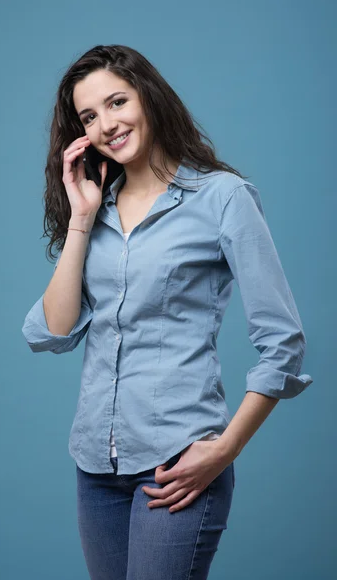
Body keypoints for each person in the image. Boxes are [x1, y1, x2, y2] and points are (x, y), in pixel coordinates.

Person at [21, 44, 313, 580]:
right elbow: (55, 332)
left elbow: (284, 342)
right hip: (95, 468)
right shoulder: (96, 209)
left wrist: (225, 450)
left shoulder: (222, 197)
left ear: (147, 97)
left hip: (178, 464)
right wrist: (81, 219)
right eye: (89, 116)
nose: (107, 124)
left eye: (116, 102)